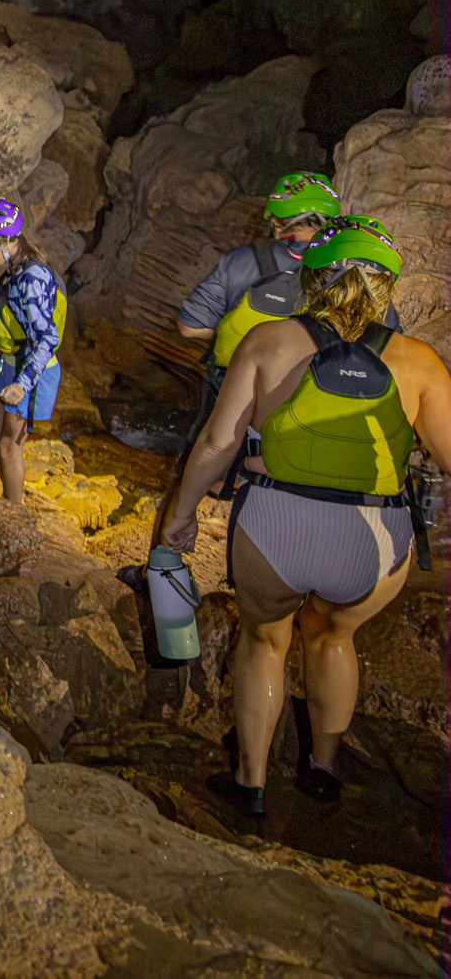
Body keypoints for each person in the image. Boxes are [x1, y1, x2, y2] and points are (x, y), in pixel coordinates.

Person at [163, 223, 449, 817]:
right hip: (372, 538)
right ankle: (323, 769)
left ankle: (251, 783)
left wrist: (180, 517)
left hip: (275, 525)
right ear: (386, 288)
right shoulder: (419, 360)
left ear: (312, 278)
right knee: (332, 636)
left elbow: (218, 442)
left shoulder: (269, 342)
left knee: (265, 640)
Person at [175, 173, 342, 451]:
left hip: (231, 388)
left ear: (277, 220)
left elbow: (189, 327)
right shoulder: (346, 274)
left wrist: (241, 340)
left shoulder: (244, 260)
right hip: (306, 397)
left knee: (211, 455)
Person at [0, 197, 66, 504]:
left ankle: (15, 511)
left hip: (30, 371)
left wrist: (23, 383)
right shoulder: (16, 268)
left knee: (8, 444)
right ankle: (12, 493)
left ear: (2, 240)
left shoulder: (31, 277)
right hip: (11, 364)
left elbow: (46, 338)